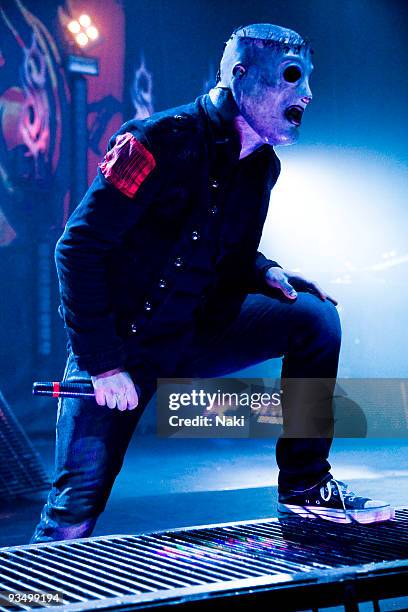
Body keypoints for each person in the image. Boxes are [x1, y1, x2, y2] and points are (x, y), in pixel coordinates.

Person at [31, 23, 393, 543]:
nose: (307, 95)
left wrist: (263, 268)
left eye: (308, 81)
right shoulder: (153, 141)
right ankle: (34, 596)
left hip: (197, 333)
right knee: (73, 511)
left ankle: (305, 485)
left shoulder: (263, 167)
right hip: (122, 346)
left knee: (314, 318)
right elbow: (78, 247)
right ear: (240, 77)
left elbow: (223, 250)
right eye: (292, 78)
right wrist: (103, 363)